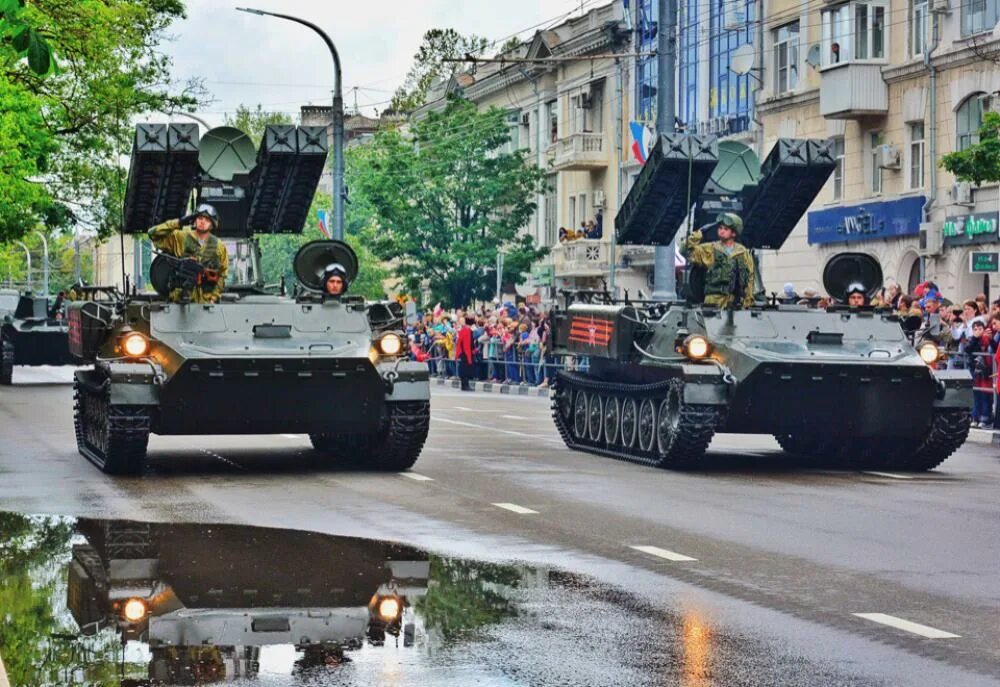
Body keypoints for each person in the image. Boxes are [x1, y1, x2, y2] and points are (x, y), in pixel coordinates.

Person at [148, 203, 229, 304]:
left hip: (205, 304)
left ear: (212, 224)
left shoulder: (219, 247)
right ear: (194, 220)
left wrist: (213, 298)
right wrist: (179, 222)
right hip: (179, 302)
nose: (202, 222)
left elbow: (222, 275)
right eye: (200, 218)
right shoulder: (180, 237)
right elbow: (153, 234)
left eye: (207, 220)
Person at [681, 212, 755, 309]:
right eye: (720, 228)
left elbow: (749, 279)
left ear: (734, 233)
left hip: (734, 303)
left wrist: (747, 302)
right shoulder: (710, 249)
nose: (721, 231)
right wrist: (699, 234)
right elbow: (684, 249)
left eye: (725, 229)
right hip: (713, 301)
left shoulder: (743, 253)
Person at [456, 316, 475, 391]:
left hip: (462, 352)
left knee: (463, 369)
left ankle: (463, 385)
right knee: (466, 370)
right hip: (466, 353)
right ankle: (466, 385)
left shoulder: (462, 331)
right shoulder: (468, 331)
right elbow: (469, 343)